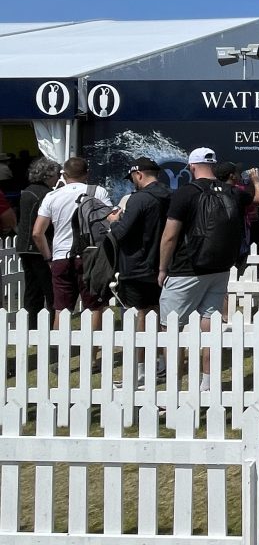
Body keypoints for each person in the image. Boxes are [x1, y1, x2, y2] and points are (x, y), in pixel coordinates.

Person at [158, 147, 253, 391]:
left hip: (186, 268)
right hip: (220, 267)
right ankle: (208, 384)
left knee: (171, 329)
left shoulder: (185, 193)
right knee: (210, 323)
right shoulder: (234, 192)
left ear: (191, 166)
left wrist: (162, 268)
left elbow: (170, 236)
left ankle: (174, 389)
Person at [32, 157, 113, 365]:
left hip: (61, 256)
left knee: (62, 308)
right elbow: (108, 223)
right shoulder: (98, 192)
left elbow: (37, 233)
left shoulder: (52, 196)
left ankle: (60, 358)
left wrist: (48, 258)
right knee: (94, 307)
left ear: (63, 175)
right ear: (87, 173)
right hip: (91, 255)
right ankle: (91, 359)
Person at [107, 157, 171, 382]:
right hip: (163, 264)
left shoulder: (139, 199)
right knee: (161, 316)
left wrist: (115, 220)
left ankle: (140, 369)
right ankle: (164, 365)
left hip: (136, 264)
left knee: (139, 316)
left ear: (139, 175)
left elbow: (122, 233)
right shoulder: (171, 196)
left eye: (132, 177)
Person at [15, 157, 61, 328]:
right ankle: (49, 325)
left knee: (32, 289)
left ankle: (31, 325)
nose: (57, 178)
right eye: (56, 175)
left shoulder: (27, 191)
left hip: (24, 246)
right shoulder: (46, 194)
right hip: (40, 246)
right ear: (47, 175)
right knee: (50, 290)